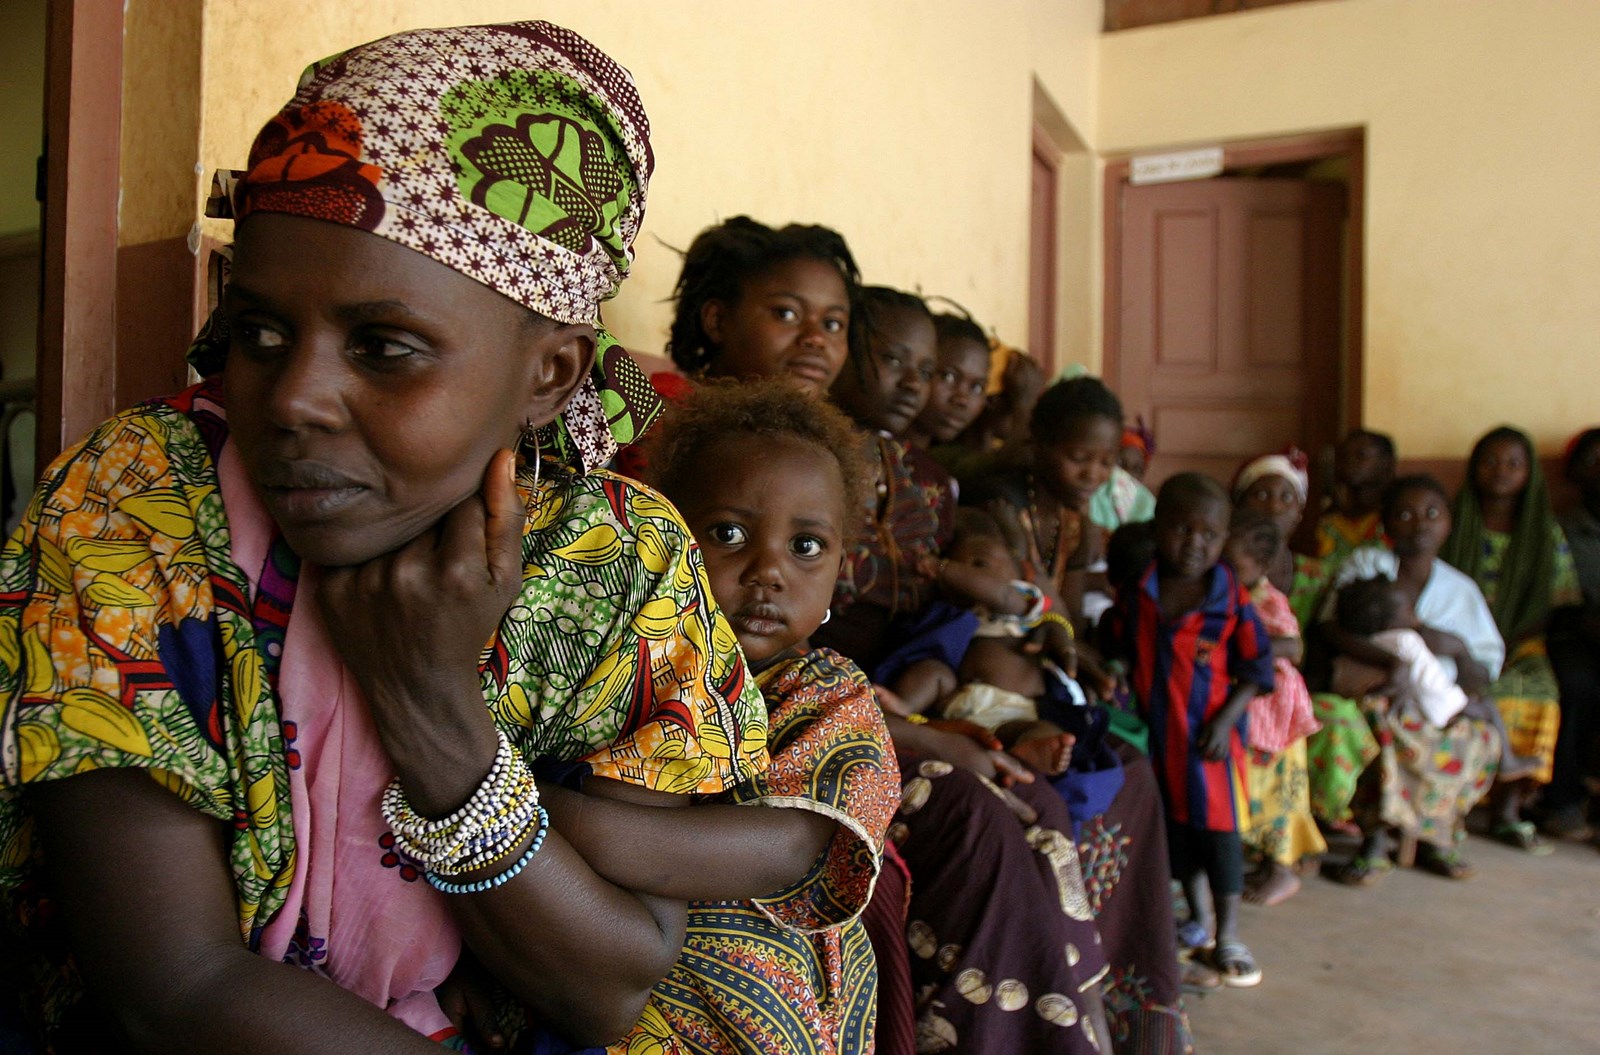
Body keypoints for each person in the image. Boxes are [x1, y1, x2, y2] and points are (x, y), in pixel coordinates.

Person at [0, 23, 771, 1053]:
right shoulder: (139, 499)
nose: (296, 398)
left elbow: (606, 984)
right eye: (262, 333)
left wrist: (433, 710)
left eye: (384, 347)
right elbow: (171, 985)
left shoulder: (614, 561)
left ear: (547, 375)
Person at [592, 378, 896, 1055]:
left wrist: (522, 816)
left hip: (772, 1019)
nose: (768, 570)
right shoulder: (618, 669)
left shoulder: (827, 694)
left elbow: (779, 851)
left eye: (807, 545)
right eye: (728, 533)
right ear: (666, 535)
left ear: (841, 565)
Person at [1104, 473, 1275, 988]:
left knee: (1219, 836)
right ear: (1157, 528)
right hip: (1159, 744)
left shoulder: (1231, 601)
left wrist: (1225, 721)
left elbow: (1258, 669)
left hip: (1211, 746)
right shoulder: (1142, 591)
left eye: (1209, 534)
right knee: (1178, 836)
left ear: (1224, 539)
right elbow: (1117, 641)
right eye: (1181, 529)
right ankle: (1198, 922)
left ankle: (1230, 935)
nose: (1194, 544)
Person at [1318, 476, 1505, 883]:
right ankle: (1375, 840)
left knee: (1472, 734)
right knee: (1386, 728)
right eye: (1404, 514)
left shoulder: (1462, 590)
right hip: (1376, 684)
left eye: (1432, 514)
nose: (1419, 524)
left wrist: (1455, 647)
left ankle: (1436, 838)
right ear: (1385, 524)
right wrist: (1392, 663)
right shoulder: (1368, 566)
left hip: (1440, 697)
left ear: (1449, 524)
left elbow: (1483, 672)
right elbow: (1332, 627)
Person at [610, 216, 862, 480]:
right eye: (786, 314)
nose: (816, 338)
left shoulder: (830, 449)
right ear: (717, 321)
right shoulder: (657, 424)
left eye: (832, 324)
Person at [1439, 426, 1582, 853]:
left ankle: (1509, 809)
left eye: (1513, 463)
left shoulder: (1544, 532)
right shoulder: (1453, 523)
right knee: (1455, 695)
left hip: (1520, 642)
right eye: (1490, 461)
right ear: (1474, 468)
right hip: (1457, 644)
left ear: (1530, 473)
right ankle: (1453, 805)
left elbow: (1555, 603)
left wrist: (1505, 639)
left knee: (1538, 695)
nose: (1501, 471)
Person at [882, 508, 1081, 776]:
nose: (968, 573)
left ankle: (1040, 747)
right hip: (957, 702)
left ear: (1018, 572)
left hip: (1017, 706)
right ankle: (904, 709)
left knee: (1037, 728)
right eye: (959, 562)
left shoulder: (1020, 602)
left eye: (980, 563)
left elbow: (999, 594)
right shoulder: (956, 613)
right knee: (932, 672)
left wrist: (943, 569)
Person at [814, 286, 946, 670]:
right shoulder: (803, 457)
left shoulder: (926, 478)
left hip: (900, 680)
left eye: (925, 371)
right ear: (842, 350)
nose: (913, 384)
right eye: (892, 359)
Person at [1331, 575, 1537, 783]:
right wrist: (1459, 705)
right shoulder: (1406, 640)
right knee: (1488, 706)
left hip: (1417, 708)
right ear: (1393, 621)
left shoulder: (1372, 643)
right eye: (1410, 608)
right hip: (1439, 710)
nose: (1417, 613)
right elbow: (1430, 683)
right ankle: (1508, 763)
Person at [1224, 509, 1324, 908]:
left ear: (1262, 566)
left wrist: (1242, 640)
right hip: (1253, 711)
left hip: (1274, 713)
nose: (1224, 571)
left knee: (1279, 793)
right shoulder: (1232, 592)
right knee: (1253, 788)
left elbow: (1291, 646)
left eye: (1233, 565)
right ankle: (1266, 863)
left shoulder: (1267, 600)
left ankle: (1282, 871)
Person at [1545, 427, 1600, 839]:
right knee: (1577, 684)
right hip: (1577, 631)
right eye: (1592, 460)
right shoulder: (1560, 529)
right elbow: (1561, 604)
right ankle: (1564, 801)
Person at [907, 313, 991, 456]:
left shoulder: (940, 472)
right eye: (948, 376)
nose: (962, 400)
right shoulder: (872, 457)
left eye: (977, 387)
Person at [1314, 430, 1396, 569]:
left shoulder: (1395, 518)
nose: (1349, 462)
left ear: (1385, 462)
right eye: (1344, 456)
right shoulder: (1330, 522)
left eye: (1361, 455)